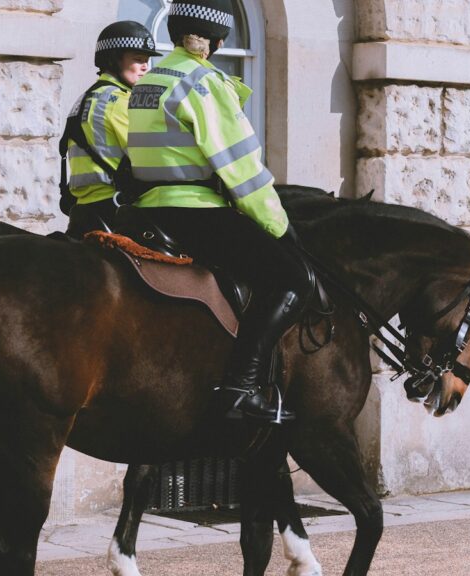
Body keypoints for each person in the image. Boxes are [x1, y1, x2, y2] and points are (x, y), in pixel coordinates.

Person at [126, 0, 313, 423]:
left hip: (150, 211)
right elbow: (242, 171)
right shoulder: (203, 83)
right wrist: (280, 227)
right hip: (196, 211)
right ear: (212, 39)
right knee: (293, 277)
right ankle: (240, 387)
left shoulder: (149, 80)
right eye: (220, 37)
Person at [61, 21, 161, 238]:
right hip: (115, 210)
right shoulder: (120, 101)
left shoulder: (83, 99)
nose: (146, 66)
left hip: (83, 210)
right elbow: (150, 158)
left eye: (147, 60)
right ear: (113, 60)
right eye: (138, 60)